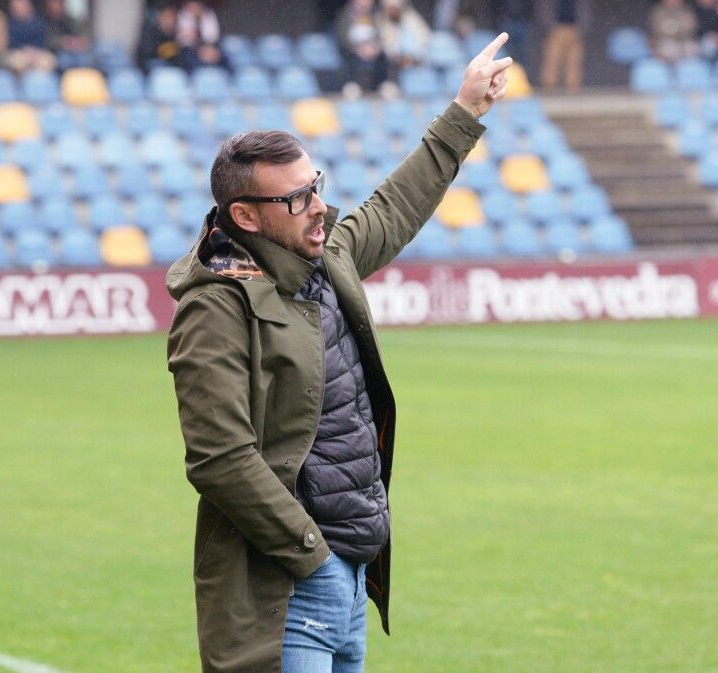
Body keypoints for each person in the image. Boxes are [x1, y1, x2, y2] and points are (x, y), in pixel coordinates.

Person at [166, 32, 512, 673]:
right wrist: (312, 557)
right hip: (287, 591)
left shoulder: (326, 257)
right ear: (245, 215)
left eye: (315, 185)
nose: (318, 205)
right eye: (296, 197)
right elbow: (218, 458)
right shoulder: (215, 305)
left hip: (350, 576)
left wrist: (463, 113)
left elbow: (396, 204)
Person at [537, 0, 593, 92]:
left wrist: (581, 29)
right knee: (552, 62)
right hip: (556, 30)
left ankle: (572, 94)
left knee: (574, 64)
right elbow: (543, 10)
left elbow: (585, 11)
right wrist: (550, 28)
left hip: (574, 30)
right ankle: (549, 92)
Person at [337, 0, 389, 93]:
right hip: (353, 49)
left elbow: (382, 33)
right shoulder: (345, 15)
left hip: (372, 48)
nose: (365, 4)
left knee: (384, 56)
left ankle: (383, 85)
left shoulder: (376, 15)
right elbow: (342, 37)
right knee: (348, 56)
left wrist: (375, 47)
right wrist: (358, 49)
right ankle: (351, 85)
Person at [376, 0, 431, 78]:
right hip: (394, 65)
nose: (392, 11)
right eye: (390, 9)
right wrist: (399, 58)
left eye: (394, 8)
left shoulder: (412, 19)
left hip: (417, 61)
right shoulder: (382, 22)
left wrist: (413, 57)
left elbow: (425, 39)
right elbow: (387, 47)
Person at [175, 0, 228, 71]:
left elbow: (213, 37)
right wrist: (199, 49)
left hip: (208, 46)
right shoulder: (182, 15)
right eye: (192, 5)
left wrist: (208, 49)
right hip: (189, 48)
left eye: (197, 5)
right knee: (188, 57)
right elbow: (183, 40)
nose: (195, 8)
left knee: (221, 56)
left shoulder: (208, 14)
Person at [6, 0, 55, 73]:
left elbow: (43, 40)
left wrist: (35, 51)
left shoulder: (38, 22)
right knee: (17, 63)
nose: (20, 7)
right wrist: (26, 51)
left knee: (49, 61)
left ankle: (40, 83)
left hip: (37, 52)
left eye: (22, 3)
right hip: (18, 53)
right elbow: (11, 43)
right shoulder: (10, 23)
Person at [45, 0, 90, 69]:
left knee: (84, 59)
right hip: (56, 53)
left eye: (58, 3)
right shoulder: (45, 22)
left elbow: (82, 36)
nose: (56, 6)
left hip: (75, 51)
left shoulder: (69, 19)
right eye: (53, 3)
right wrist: (62, 42)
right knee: (64, 60)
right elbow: (49, 41)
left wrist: (75, 42)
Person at [136, 3, 181, 71]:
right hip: (152, 68)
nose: (170, 20)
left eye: (172, 16)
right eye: (167, 16)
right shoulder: (150, 33)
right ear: (160, 16)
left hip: (173, 69)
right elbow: (146, 56)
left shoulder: (178, 34)